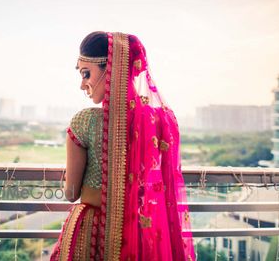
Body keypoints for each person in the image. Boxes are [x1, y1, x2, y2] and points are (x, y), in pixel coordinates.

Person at [51, 32, 195, 261]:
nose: (82, 85)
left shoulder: (85, 122)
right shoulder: (161, 121)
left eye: (86, 73)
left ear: (110, 70)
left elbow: (70, 194)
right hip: (143, 236)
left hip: (92, 237)